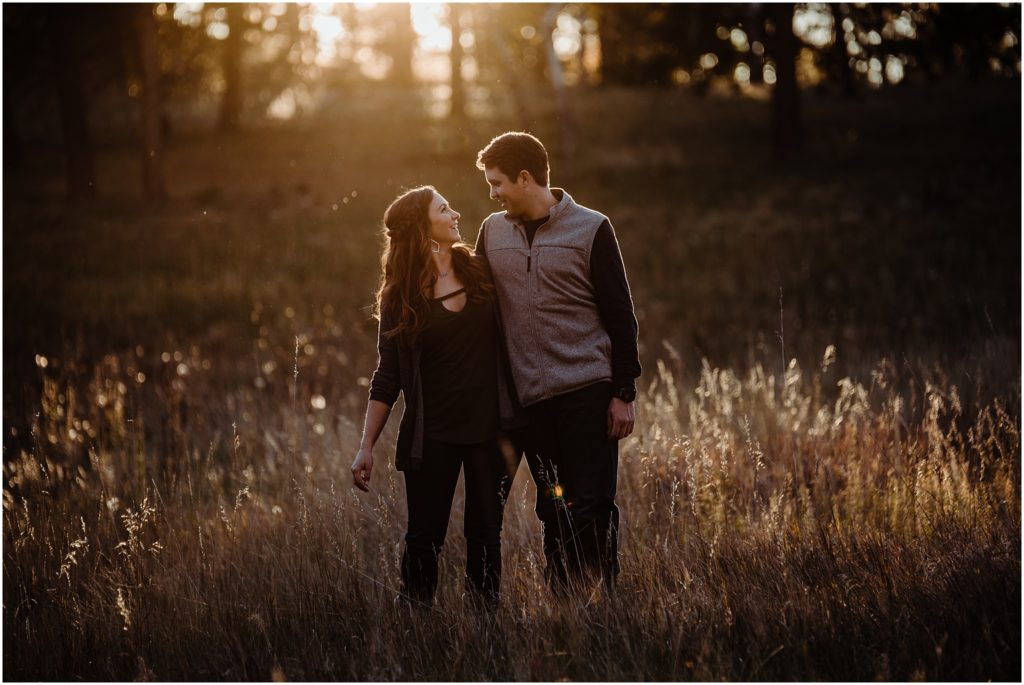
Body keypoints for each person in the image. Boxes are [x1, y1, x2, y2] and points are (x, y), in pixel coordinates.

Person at [474, 132, 641, 596]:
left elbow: (621, 316)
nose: (493, 194)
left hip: (588, 391)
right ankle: (565, 603)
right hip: (530, 400)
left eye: (497, 183)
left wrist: (623, 392)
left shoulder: (592, 228)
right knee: (553, 508)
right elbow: (474, 299)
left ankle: (600, 603)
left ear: (525, 178)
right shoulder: (491, 232)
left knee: (591, 504)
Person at [350, 185, 511, 609]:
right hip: (433, 434)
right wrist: (366, 446)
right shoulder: (399, 297)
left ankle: (484, 623)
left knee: (485, 534)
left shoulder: (479, 270)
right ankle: (415, 619)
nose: (455, 214)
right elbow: (387, 376)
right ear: (423, 228)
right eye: (444, 209)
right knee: (424, 538)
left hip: (490, 430)